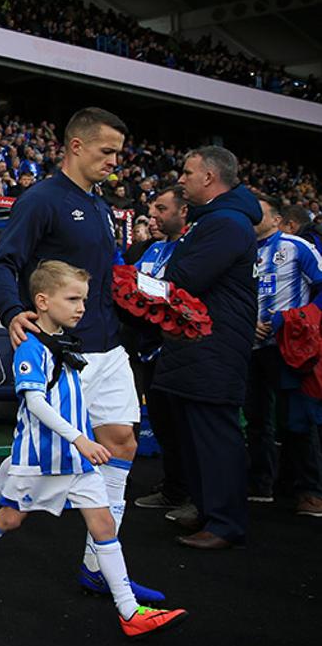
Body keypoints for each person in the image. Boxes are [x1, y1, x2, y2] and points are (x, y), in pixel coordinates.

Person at [0, 108, 163, 602]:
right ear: (75, 146)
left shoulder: (100, 205)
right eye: (106, 151)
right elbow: (5, 263)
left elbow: (101, 274)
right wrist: (10, 312)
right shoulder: (42, 199)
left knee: (121, 444)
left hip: (108, 347)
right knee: (36, 457)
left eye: (118, 152)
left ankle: (98, 565)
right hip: (61, 354)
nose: (115, 161)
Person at [0, 261, 188, 638]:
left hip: (75, 460)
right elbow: (35, 404)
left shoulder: (65, 343)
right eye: (72, 299)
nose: (81, 308)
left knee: (104, 524)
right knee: (9, 519)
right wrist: (82, 438)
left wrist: (80, 443)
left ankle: (129, 612)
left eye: (84, 300)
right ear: (42, 301)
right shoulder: (31, 349)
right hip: (40, 458)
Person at [154, 146, 260, 549]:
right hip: (200, 344)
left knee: (214, 434)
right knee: (194, 432)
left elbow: (184, 278)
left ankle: (225, 522)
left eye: (187, 172)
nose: (181, 179)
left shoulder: (226, 224)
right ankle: (206, 508)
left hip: (213, 344)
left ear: (210, 178)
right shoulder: (216, 221)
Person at [244, 193, 322, 517]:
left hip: (288, 348)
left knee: (297, 418)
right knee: (257, 418)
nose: (251, 219)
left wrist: (291, 320)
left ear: (277, 219)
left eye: (258, 213)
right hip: (251, 347)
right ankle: (261, 483)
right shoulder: (243, 250)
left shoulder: (295, 246)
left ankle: (309, 489)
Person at [129, 187, 191, 514]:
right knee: (165, 423)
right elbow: (129, 282)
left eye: (161, 210)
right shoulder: (152, 249)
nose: (153, 217)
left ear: (183, 212)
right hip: (148, 347)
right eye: (152, 211)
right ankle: (174, 486)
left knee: (182, 424)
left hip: (177, 348)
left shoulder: (191, 247)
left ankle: (187, 490)